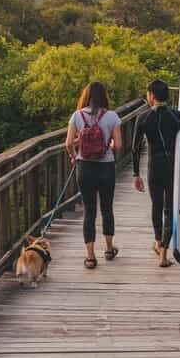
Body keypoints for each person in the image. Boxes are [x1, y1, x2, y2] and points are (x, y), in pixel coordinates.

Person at [132, 79, 180, 267]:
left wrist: (136, 174)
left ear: (151, 95)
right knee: (169, 210)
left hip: (154, 168)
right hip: (172, 167)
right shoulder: (177, 116)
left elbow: (135, 149)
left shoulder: (143, 118)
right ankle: (163, 253)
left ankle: (158, 242)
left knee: (156, 206)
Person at [65, 81, 123, 269]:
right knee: (107, 208)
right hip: (106, 167)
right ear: (103, 96)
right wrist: (109, 145)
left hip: (85, 168)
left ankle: (90, 257)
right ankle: (109, 249)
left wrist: (74, 156)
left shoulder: (77, 116)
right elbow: (118, 145)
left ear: (86, 96)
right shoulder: (112, 116)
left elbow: (68, 143)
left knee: (89, 211)